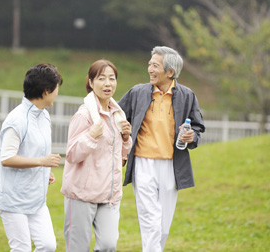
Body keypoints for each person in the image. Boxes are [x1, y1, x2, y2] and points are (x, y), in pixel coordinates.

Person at [118, 46, 205, 252]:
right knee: (150, 220)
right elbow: (117, 115)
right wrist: (122, 131)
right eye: (150, 64)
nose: (149, 69)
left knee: (163, 226)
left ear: (170, 72)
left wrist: (192, 135)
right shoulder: (137, 92)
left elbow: (198, 127)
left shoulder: (187, 95)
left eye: (155, 65)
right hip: (143, 163)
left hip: (171, 165)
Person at [61, 60, 132, 252]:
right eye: (101, 79)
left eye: (112, 78)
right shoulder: (84, 115)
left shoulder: (118, 115)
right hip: (82, 194)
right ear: (91, 83)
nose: (108, 83)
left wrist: (126, 138)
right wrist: (91, 135)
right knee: (78, 248)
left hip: (109, 195)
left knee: (109, 245)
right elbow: (72, 154)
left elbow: (120, 157)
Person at [0, 63, 63, 252]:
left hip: (36, 198)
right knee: (21, 249)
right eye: (56, 89)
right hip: (12, 198)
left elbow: (35, 151)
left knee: (48, 245)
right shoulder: (17, 120)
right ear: (46, 91)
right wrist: (41, 162)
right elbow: (6, 158)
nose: (57, 93)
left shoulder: (44, 117)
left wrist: (44, 171)